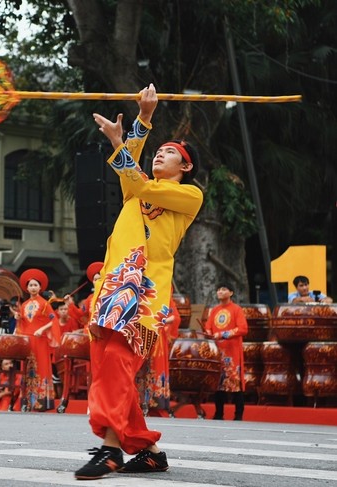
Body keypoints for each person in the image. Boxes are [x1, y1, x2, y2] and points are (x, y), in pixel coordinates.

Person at [75, 84, 203, 480]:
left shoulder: (189, 196)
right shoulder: (137, 192)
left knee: (116, 364)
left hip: (143, 295)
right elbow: (133, 180)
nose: (161, 154)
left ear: (185, 168)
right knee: (107, 368)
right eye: (158, 150)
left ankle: (111, 450)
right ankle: (150, 451)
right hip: (112, 289)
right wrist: (130, 134)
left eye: (171, 153)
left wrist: (137, 130)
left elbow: (139, 181)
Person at [204, 283, 249, 421]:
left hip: (233, 352)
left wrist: (222, 334)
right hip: (218, 352)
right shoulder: (215, 310)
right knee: (219, 383)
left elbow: (243, 329)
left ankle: (238, 415)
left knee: (235, 383)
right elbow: (208, 327)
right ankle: (219, 414)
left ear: (231, 293)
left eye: (223, 289)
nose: (220, 292)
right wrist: (209, 333)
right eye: (218, 290)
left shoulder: (237, 310)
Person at [16, 268, 58, 411]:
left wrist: (42, 329)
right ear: (27, 288)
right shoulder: (23, 305)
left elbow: (53, 320)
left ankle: (41, 402)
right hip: (27, 341)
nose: (33, 287)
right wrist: (18, 319)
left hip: (40, 340)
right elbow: (22, 325)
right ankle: (27, 402)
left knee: (41, 368)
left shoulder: (45, 304)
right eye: (30, 285)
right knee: (27, 369)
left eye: (35, 285)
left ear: (40, 287)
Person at [136, 292, 181, 416]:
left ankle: (154, 403)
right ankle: (137, 402)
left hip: (156, 338)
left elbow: (175, 317)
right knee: (139, 370)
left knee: (154, 368)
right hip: (140, 335)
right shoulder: (139, 294)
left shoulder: (165, 297)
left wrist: (161, 320)